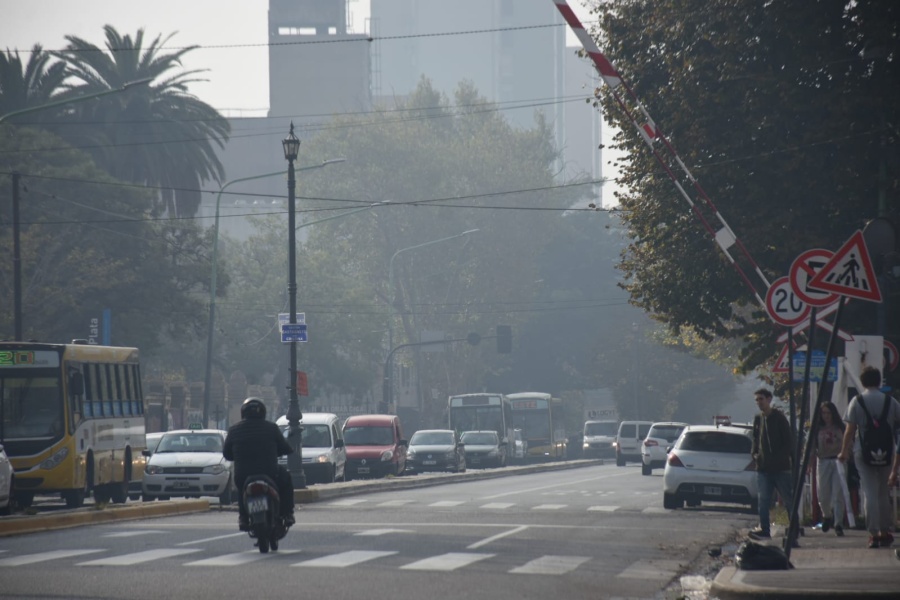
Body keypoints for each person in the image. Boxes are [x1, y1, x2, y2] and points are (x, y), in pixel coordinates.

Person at [839, 367, 900, 548]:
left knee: (869, 492)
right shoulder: (891, 401)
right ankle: (885, 530)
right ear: (879, 381)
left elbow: (850, 430)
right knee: (883, 492)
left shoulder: (857, 401)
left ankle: (873, 533)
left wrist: (844, 451)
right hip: (887, 451)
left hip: (863, 452)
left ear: (863, 381)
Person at [223, 397, 295, 530]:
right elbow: (286, 448)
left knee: (241, 489)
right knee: (286, 480)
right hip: (270, 472)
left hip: (243, 475)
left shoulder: (234, 430)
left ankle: (243, 517)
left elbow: (227, 454)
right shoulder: (271, 428)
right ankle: (287, 513)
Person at [749, 388, 794, 541]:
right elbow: (755, 439)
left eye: (761, 399)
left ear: (769, 399)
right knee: (763, 501)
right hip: (763, 468)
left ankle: (792, 530)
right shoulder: (758, 418)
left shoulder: (779, 418)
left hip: (781, 468)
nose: (759, 402)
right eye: (757, 400)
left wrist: (781, 458)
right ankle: (764, 530)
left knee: (787, 500)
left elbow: (788, 441)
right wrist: (754, 454)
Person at [813, 401, 846, 536]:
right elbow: (812, 446)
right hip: (823, 461)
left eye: (828, 413)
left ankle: (838, 523)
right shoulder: (817, 429)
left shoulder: (840, 427)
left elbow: (848, 442)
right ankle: (827, 515)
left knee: (838, 494)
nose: (826, 416)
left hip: (838, 461)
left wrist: (846, 455)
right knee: (823, 494)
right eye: (824, 413)